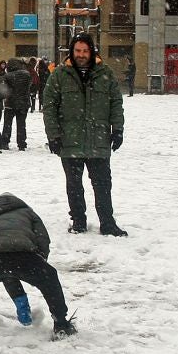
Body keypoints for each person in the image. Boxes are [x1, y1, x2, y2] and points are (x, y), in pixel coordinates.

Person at [0, 193, 76, 339]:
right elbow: (42, 237)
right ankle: (61, 323)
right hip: (23, 255)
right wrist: (40, 261)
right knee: (49, 277)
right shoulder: (28, 213)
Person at [43, 34, 127, 236]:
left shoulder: (105, 73)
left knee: (103, 184)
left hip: (98, 140)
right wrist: (53, 135)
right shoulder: (60, 75)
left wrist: (117, 129)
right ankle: (79, 221)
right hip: (69, 139)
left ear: (92, 52)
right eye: (78, 51)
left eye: (85, 51)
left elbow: (116, 102)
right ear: (72, 51)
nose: (81, 55)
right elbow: (50, 107)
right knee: (74, 185)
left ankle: (107, 223)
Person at [4, 58, 35, 150]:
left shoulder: (8, 76)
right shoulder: (26, 74)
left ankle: (5, 142)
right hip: (24, 102)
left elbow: (5, 90)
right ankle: (21, 143)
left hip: (10, 103)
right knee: (21, 124)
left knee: (7, 124)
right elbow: (29, 86)